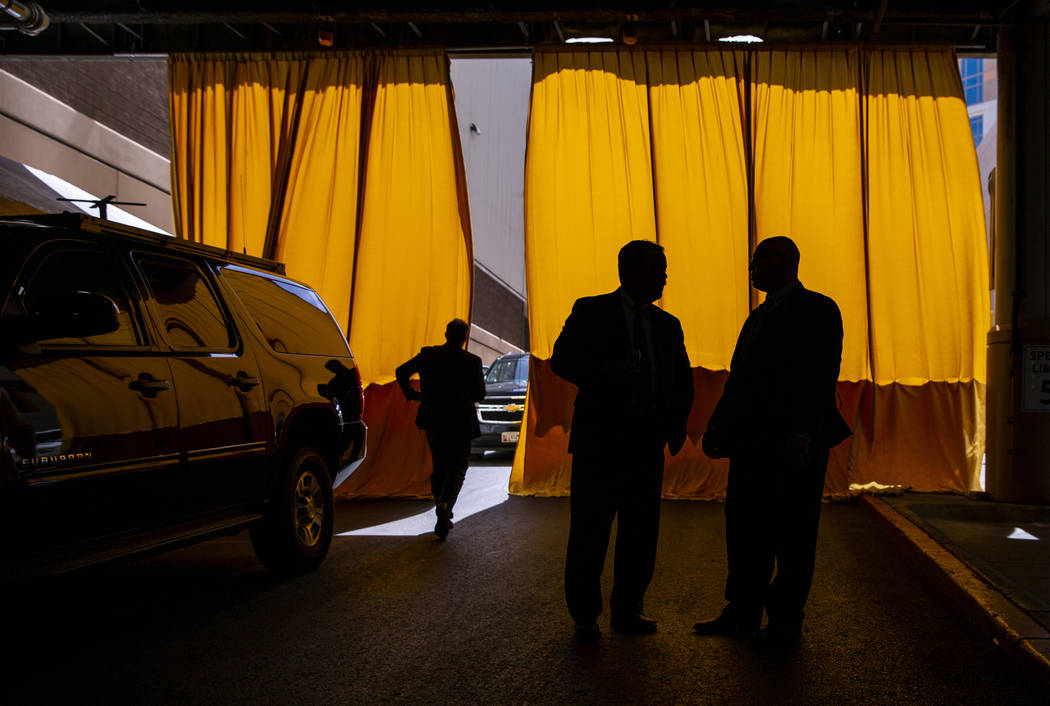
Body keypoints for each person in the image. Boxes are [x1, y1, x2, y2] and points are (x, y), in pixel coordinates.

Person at [695, 236, 851, 648]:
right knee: (747, 530)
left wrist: (801, 433)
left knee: (794, 534)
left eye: (758, 259)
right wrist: (718, 427)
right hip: (752, 443)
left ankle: (784, 620)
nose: (751, 267)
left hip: (793, 445)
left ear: (785, 262)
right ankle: (743, 611)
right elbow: (739, 381)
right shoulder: (759, 316)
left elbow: (820, 376)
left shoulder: (819, 309)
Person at [551, 240, 694, 642]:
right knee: (590, 531)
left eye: (664, 268)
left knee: (640, 533)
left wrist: (675, 425)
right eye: (657, 268)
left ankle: (629, 608)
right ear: (627, 271)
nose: (664, 275)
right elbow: (561, 359)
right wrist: (602, 372)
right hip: (600, 442)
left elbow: (682, 379)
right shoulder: (590, 310)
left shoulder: (669, 325)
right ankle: (585, 614)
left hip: (646, 446)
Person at [396, 318, 486, 539]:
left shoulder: (428, 356)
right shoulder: (472, 361)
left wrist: (413, 395)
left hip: (434, 417)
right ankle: (446, 504)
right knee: (458, 466)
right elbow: (479, 395)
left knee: (439, 464)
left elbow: (401, 372)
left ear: (446, 334)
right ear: (465, 338)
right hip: (461, 420)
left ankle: (440, 502)